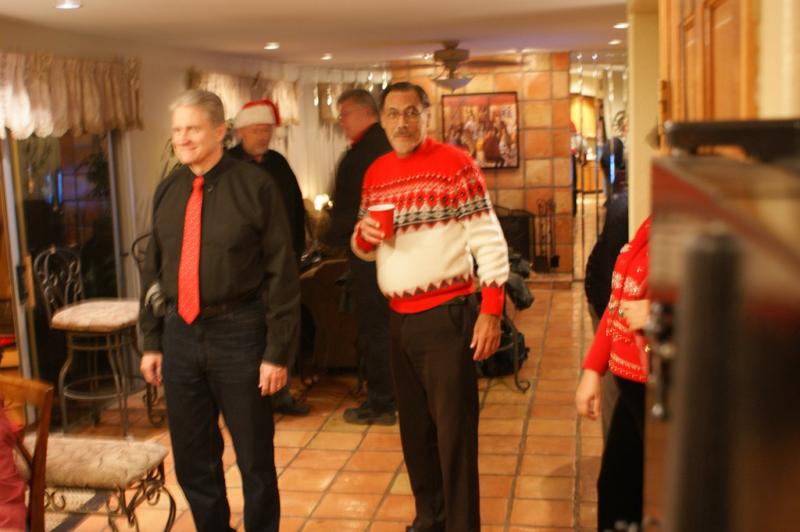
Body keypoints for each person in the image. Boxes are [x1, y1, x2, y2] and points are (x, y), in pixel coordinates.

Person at [139, 89, 300, 532]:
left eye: (192, 128)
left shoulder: (256, 186)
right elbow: (153, 269)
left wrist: (277, 351)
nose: (183, 138)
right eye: (177, 130)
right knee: (194, 459)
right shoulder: (169, 190)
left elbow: (282, 273)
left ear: (219, 131)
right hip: (179, 334)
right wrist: (151, 341)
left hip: (241, 333)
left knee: (254, 458)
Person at [352, 82, 510, 532]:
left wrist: (491, 310)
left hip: (447, 318)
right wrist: (363, 237)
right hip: (399, 320)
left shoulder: (457, 165)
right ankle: (430, 519)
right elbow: (364, 246)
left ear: (426, 116)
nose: (402, 122)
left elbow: (489, 241)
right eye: (392, 114)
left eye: (411, 112)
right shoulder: (376, 172)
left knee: (454, 436)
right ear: (382, 120)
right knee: (416, 434)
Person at [228, 98, 309, 416]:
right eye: (256, 130)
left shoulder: (278, 163)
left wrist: (296, 255)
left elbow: (296, 209)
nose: (262, 136)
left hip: (282, 263)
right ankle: (251, 399)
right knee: (252, 334)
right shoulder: (229, 166)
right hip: (246, 270)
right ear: (240, 132)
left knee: (284, 328)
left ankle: (281, 394)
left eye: (266, 130)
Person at [323, 88, 395, 425]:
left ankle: (381, 402)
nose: (341, 122)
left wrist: (331, 240)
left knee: (375, 329)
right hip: (385, 252)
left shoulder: (366, 153)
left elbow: (349, 210)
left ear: (365, 112)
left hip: (368, 254)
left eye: (344, 114)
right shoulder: (385, 146)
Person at [575, 217, 651, 531]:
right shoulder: (654, 225)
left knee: (642, 498)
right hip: (631, 388)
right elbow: (617, 302)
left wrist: (659, 312)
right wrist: (593, 369)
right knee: (615, 490)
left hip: (656, 390)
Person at [584, 190, 629, 441]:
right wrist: (595, 367)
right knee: (616, 391)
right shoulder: (625, 212)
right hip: (606, 303)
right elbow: (612, 297)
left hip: (613, 304)